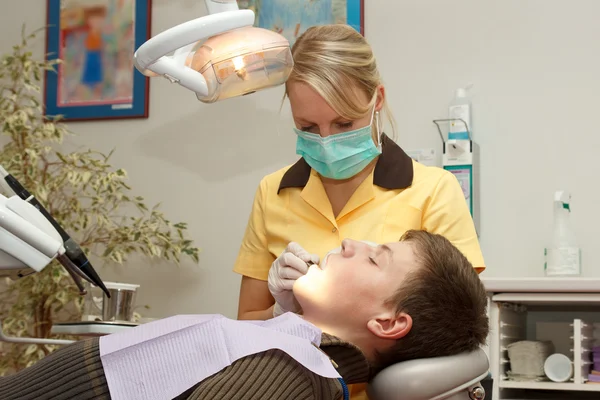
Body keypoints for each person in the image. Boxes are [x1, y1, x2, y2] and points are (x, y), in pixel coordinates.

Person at [234, 24, 486, 399]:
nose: (327, 140)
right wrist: (280, 314)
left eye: (344, 123)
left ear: (377, 99)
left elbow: (453, 333)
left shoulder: (433, 191)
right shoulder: (274, 193)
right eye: (307, 127)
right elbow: (244, 327)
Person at [0, 231, 488, 400]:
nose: (348, 243)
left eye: (375, 257)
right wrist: (281, 313)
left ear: (387, 323)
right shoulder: (287, 351)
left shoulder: (287, 372)